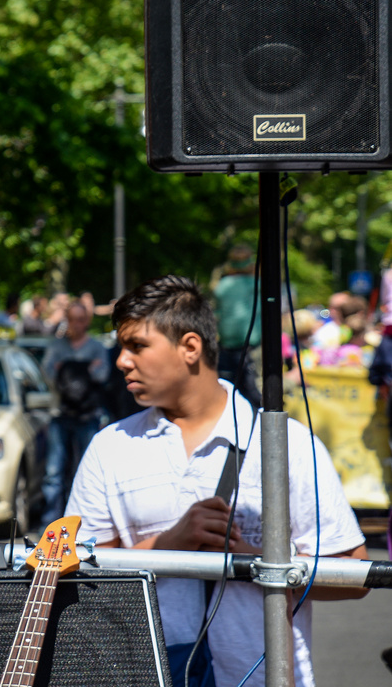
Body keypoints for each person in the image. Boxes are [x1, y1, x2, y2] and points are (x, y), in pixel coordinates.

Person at [66, 276, 367, 687]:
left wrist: (250, 561)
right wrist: (172, 543)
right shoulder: (110, 446)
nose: (122, 360)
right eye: (122, 347)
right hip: (141, 673)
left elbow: (353, 573)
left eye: (137, 345)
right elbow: (76, 573)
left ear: (190, 347)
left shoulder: (285, 443)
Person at [38, 300, 108, 526]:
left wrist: (68, 370)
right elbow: (46, 374)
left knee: (86, 471)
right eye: (71, 320)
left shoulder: (96, 347)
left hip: (88, 416)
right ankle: (51, 521)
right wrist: (84, 369)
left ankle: (81, 521)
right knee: (53, 473)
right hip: (61, 414)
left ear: (86, 321)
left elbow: (103, 375)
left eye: (80, 320)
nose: (75, 325)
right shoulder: (57, 347)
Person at [213, 244, 257, 393]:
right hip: (252, 347)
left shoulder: (222, 286)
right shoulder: (258, 284)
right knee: (254, 392)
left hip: (227, 347)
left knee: (228, 390)